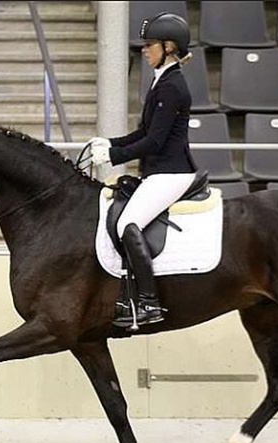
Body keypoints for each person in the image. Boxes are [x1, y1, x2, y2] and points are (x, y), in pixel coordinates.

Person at [89, 12, 198, 329]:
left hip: (171, 173)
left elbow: (155, 141)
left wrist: (113, 154)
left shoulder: (171, 86)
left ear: (168, 46)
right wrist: (109, 142)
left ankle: (149, 302)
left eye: (149, 45)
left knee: (128, 223)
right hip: (159, 172)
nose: (144, 50)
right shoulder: (161, 80)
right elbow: (142, 132)